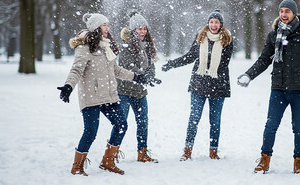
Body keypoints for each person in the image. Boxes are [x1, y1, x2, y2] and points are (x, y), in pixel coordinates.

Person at [237, 0, 300, 175]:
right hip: (279, 88)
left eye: (287, 11)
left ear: (294, 14)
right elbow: (264, 59)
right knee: (271, 125)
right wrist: (248, 75)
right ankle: (264, 159)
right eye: (281, 11)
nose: (283, 14)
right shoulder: (274, 35)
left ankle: (299, 161)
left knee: (299, 127)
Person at [57, 13, 152, 176]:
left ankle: (108, 161)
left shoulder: (106, 45)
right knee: (90, 132)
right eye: (104, 25)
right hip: (91, 97)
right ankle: (77, 166)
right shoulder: (84, 47)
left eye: (107, 25)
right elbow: (77, 69)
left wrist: (136, 77)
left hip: (108, 95)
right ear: (95, 28)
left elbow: (116, 70)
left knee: (121, 125)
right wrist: (68, 86)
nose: (108, 28)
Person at [161, 9, 233, 161]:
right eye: (211, 21)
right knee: (194, 118)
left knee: (215, 120)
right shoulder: (200, 37)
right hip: (199, 84)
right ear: (208, 23)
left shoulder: (227, 39)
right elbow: (190, 56)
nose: (213, 25)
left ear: (221, 24)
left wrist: (209, 71)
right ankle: (187, 150)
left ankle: (213, 151)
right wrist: (172, 64)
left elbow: (224, 63)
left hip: (218, 86)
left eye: (216, 22)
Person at [117, 11, 161, 163]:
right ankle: (112, 153)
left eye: (144, 28)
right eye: (139, 28)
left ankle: (142, 153)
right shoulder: (125, 46)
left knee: (143, 123)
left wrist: (150, 77)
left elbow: (150, 66)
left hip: (140, 92)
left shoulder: (147, 46)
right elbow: (126, 67)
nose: (142, 31)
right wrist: (141, 76)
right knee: (120, 124)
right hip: (123, 91)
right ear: (133, 30)